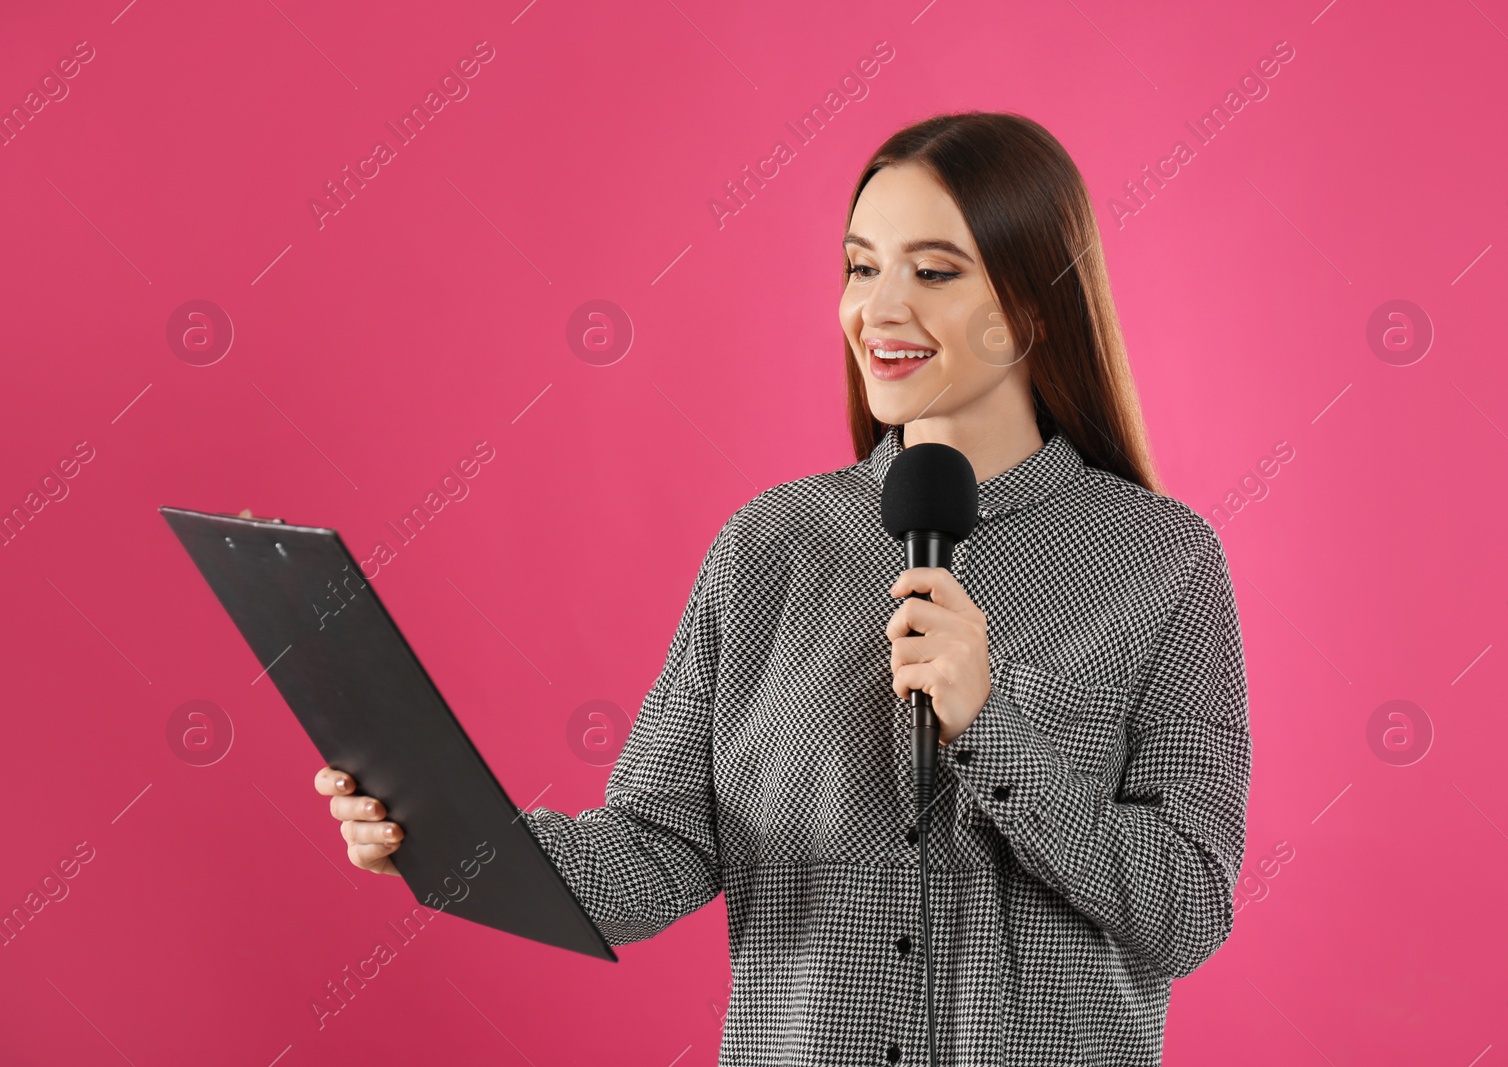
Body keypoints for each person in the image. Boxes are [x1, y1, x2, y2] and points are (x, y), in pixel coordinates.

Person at [316, 110, 1251, 1066]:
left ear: (1034, 304)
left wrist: (993, 729)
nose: (879, 310)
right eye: (860, 266)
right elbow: (654, 849)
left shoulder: (1161, 562)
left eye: (931, 271)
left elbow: (1187, 910)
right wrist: (445, 837)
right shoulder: (768, 547)